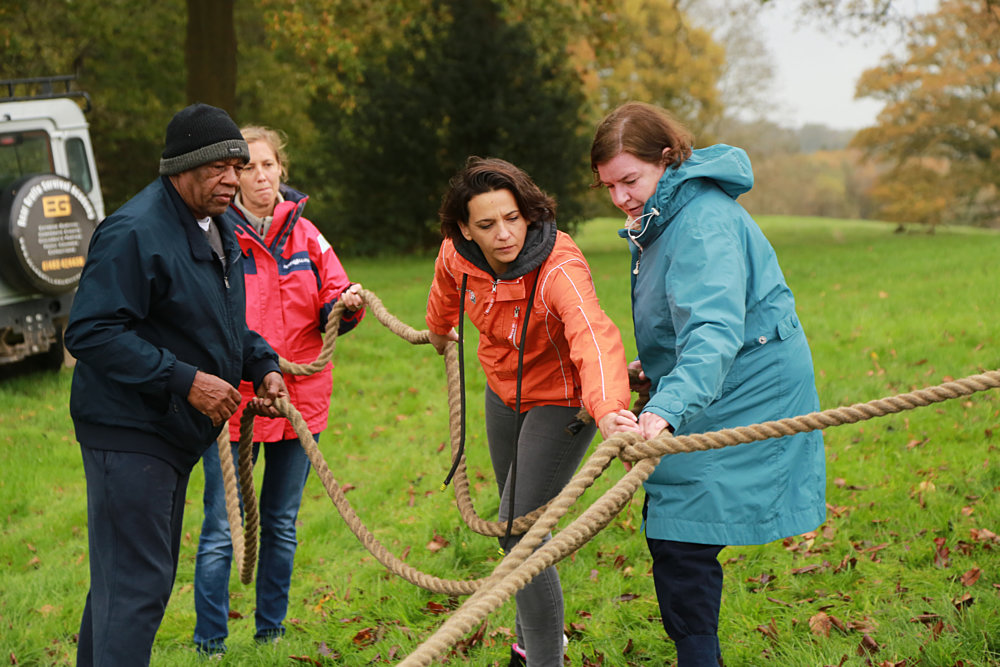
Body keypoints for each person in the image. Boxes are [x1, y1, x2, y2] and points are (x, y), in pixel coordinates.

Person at [591, 101, 827, 666]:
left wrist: (667, 404)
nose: (621, 197)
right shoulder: (665, 212)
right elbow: (690, 314)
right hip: (714, 376)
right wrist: (657, 367)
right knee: (675, 529)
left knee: (678, 531)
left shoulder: (701, 221)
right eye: (609, 186)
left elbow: (716, 328)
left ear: (667, 160)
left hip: (750, 381)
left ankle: (699, 660)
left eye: (631, 180)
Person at [65, 103, 288, 667]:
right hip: (128, 430)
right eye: (219, 168)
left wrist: (261, 362)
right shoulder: (135, 230)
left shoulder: (217, 224)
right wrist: (185, 381)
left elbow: (220, 320)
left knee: (129, 582)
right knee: (137, 586)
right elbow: (90, 332)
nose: (233, 180)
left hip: (166, 430)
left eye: (237, 167)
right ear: (181, 169)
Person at [425, 157, 637, 666]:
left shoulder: (558, 266)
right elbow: (445, 284)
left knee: (519, 535)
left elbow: (593, 332)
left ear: (528, 213)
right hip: (502, 393)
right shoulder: (460, 254)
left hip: (562, 402)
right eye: (487, 224)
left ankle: (545, 659)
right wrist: (436, 329)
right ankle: (528, 645)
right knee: (516, 522)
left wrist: (608, 409)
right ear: (464, 229)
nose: (503, 234)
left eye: (513, 218)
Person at [192, 125, 365, 653]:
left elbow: (333, 292)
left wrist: (347, 304)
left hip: (297, 401)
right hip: (231, 399)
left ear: (281, 170)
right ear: (232, 176)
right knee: (223, 530)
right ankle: (209, 644)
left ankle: (270, 633)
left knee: (281, 524)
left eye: (267, 164)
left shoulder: (309, 236)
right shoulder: (215, 235)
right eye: (247, 167)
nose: (259, 175)